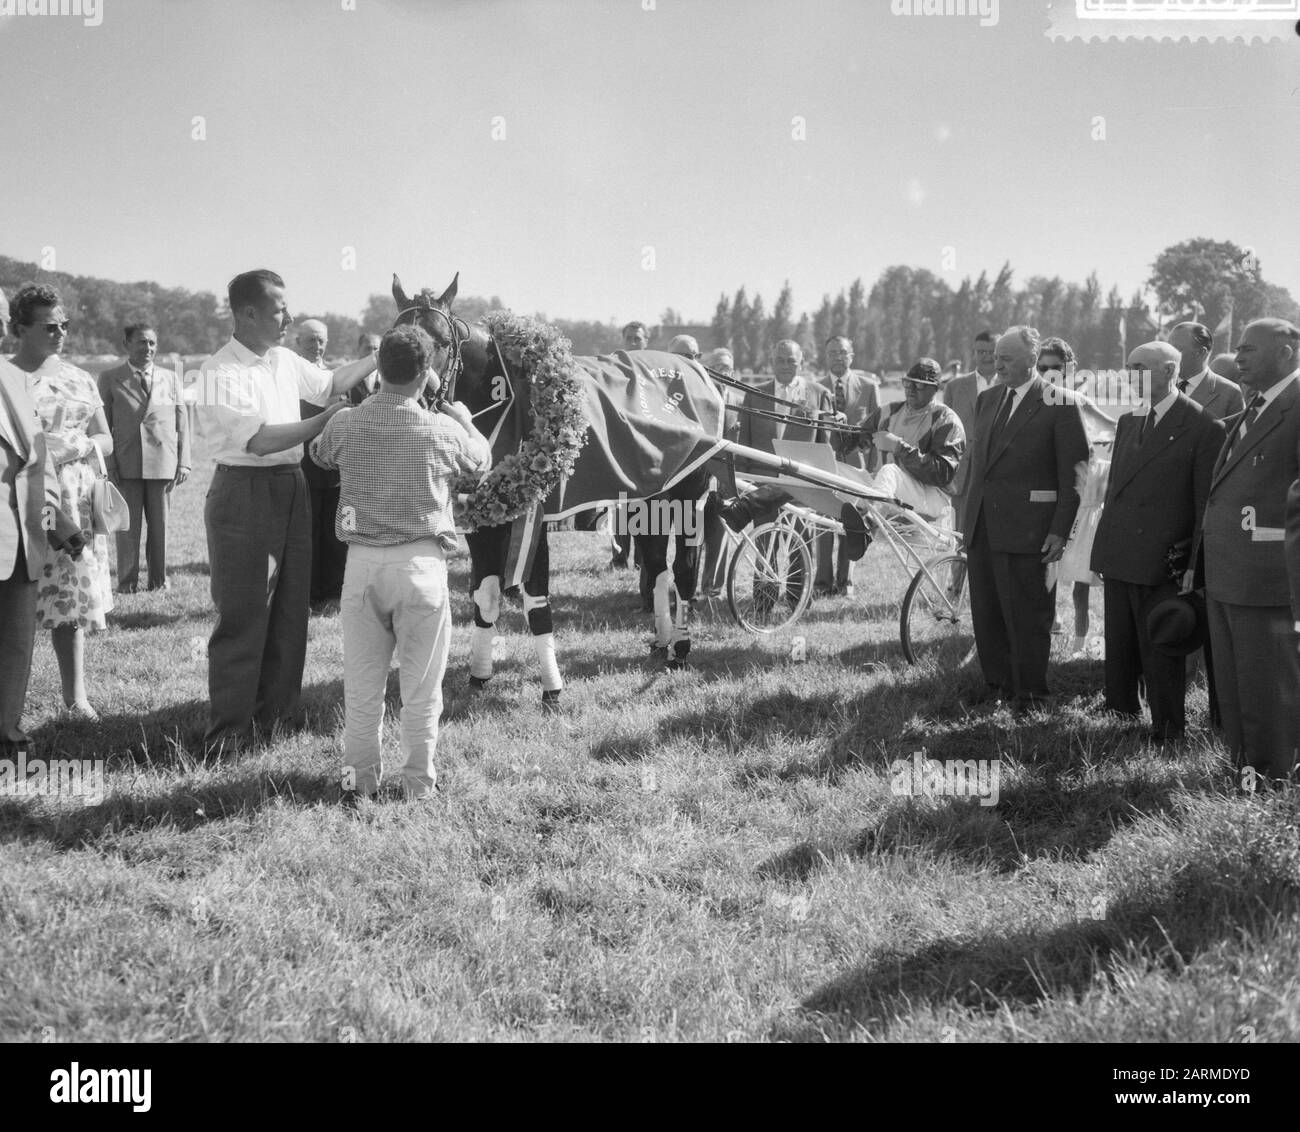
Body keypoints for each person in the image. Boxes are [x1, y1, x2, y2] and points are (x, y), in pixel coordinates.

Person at [195, 269, 376, 753]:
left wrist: (379, 355)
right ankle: (227, 732)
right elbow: (258, 439)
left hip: (290, 486)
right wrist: (327, 420)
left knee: (291, 608)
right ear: (248, 313)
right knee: (245, 612)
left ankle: (275, 718)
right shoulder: (218, 371)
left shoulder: (282, 358)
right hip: (244, 490)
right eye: (279, 310)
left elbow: (330, 381)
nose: (289, 317)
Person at [310, 324, 490, 804]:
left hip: (362, 564)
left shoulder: (346, 424)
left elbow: (319, 454)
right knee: (422, 687)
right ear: (426, 372)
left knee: (363, 686)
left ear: (378, 366)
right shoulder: (444, 429)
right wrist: (467, 420)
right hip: (421, 565)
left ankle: (359, 780)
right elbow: (481, 463)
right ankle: (417, 784)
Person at [1090, 341, 1222, 744]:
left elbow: (1204, 506)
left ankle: (1168, 730)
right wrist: (1103, 550)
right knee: (1121, 640)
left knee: (1161, 645)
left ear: (1168, 371)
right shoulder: (1130, 421)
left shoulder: (1203, 427)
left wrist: (1192, 568)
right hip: (1122, 554)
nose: (1130, 376)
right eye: (1128, 367)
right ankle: (1122, 711)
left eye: (1141, 368)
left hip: (1164, 559)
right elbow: (1115, 494)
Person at [964, 325, 1089, 712]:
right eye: (995, 357)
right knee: (987, 612)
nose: (995, 364)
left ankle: (1031, 693)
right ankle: (996, 684)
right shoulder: (987, 400)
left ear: (1031, 361)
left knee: (1029, 613)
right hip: (983, 527)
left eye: (1006, 358)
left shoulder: (1061, 403)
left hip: (1032, 530)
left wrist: (1059, 531)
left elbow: (1076, 475)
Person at [1199, 318, 1300, 788]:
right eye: (1236, 349)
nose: (1237, 356)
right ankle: (1245, 770)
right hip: (1228, 576)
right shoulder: (1254, 408)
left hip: (1269, 579)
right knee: (1237, 686)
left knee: (1268, 687)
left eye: (1249, 348)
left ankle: (1275, 779)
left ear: (1286, 351)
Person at [7, 283, 115, 719]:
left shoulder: (79, 377)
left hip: (74, 497)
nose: (60, 334)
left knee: (67, 597)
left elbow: (107, 437)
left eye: (65, 325)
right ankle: (10, 702)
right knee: (15, 601)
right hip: (21, 496)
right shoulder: (8, 378)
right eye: (50, 326)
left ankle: (77, 697)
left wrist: (81, 445)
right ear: (18, 328)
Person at [1, 334, 84, 754]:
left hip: (21, 539)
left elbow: (37, 464)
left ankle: (7, 739)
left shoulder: (16, 379)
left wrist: (57, 522)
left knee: (15, 646)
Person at [1036, 336, 1117, 654]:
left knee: (1081, 580)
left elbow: (1114, 427)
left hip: (1083, 498)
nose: (1046, 374)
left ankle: (1082, 643)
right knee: (1045, 568)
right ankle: (1046, 627)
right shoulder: (1034, 401)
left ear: (1070, 369)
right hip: (1048, 493)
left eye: (1054, 368)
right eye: (1041, 367)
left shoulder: (1078, 402)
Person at [97, 322, 190, 593]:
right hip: (126, 463)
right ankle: (126, 583)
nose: (147, 348)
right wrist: (109, 464)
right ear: (127, 345)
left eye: (151, 343)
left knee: (160, 527)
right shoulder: (110, 377)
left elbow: (182, 421)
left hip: (163, 462)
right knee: (127, 528)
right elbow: (103, 425)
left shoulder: (170, 378)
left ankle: (159, 581)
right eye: (141, 342)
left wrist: (184, 461)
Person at [719, 339, 838, 531]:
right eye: (780, 360)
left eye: (790, 361)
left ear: (802, 362)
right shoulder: (754, 394)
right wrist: (742, 485)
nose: (785, 366)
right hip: (761, 488)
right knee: (764, 550)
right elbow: (744, 445)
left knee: (800, 552)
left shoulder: (818, 394)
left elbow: (825, 446)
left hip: (801, 489)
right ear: (772, 362)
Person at [840, 358, 965, 521]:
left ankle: (871, 518)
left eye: (919, 385)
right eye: (907, 383)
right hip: (887, 489)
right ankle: (836, 513)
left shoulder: (946, 420)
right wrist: (839, 426)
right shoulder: (888, 411)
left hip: (931, 496)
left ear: (935, 388)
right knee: (838, 471)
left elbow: (942, 474)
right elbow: (851, 444)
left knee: (889, 471)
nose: (911, 390)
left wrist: (899, 447)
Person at [293, 320, 349, 611]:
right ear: (297, 343)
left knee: (336, 534)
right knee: (307, 535)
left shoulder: (336, 378)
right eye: (311, 341)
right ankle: (308, 594)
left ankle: (333, 593)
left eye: (321, 341)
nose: (317, 346)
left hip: (336, 473)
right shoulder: (289, 380)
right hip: (302, 470)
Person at [818, 335, 880, 595]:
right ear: (826, 356)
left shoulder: (868, 387)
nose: (837, 357)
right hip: (823, 465)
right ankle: (822, 582)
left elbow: (876, 432)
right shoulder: (816, 388)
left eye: (842, 353)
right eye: (832, 352)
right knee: (822, 522)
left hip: (856, 467)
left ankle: (846, 582)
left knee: (850, 523)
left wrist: (875, 469)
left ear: (851, 356)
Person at [941, 330, 997, 542]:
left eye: (991, 351)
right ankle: (957, 572)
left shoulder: (1012, 386)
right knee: (961, 534)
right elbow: (944, 430)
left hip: (999, 467)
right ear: (973, 353)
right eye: (981, 351)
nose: (986, 356)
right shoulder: (955, 387)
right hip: (964, 471)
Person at [1168, 321, 1246, 422]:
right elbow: (1140, 424)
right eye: (1167, 348)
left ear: (1201, 352)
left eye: (1176, 349)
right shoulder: (1150, 384)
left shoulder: (1230, 393)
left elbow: (1235, 435)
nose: (1168, 355)